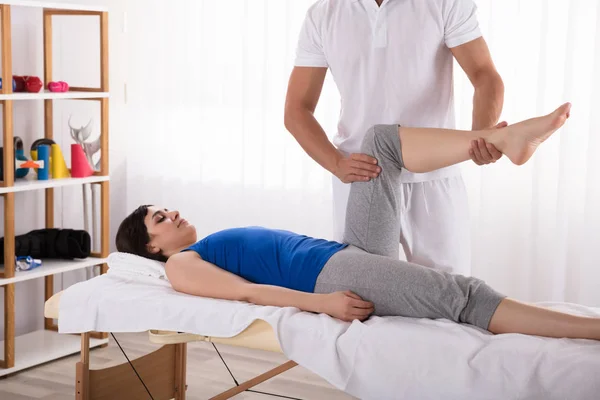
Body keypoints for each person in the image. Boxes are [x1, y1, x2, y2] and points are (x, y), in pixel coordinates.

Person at [113, 103, 600, 341]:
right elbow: (249, 293)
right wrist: (322, 303)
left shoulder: (204, 244)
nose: (172, 212)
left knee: (380, 143)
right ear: (152, 247)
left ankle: (501, 139)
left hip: (346, 252)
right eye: (160, 218)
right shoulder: (180, 266)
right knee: (462, 295)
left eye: (165, 208)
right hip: (336, 276)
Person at [284, 0, 505, 275]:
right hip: (361, 177)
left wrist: (481, 137)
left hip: (434, 178)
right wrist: (336, 164)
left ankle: (517, 139)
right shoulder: (323, 14)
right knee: (363, 296)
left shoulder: (445, 4)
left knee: (452, 297)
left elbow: (485, 76)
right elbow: (296, 110)